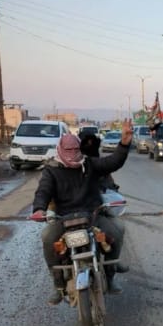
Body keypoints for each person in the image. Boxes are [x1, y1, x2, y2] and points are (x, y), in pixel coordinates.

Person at [31, 120, 133, 304]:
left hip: (92, 215)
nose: (72, 153)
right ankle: (58, 285)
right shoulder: (51, 170)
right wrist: (39, 209)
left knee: (118, 229)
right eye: (68, 150)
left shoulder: (90, 164)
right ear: (60, 149)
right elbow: (43, 191)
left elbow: (113, 162)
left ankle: (110, 276)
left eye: (75, 149)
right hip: (64, 219)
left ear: (80, 148)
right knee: (47, 238)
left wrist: (124, 143)